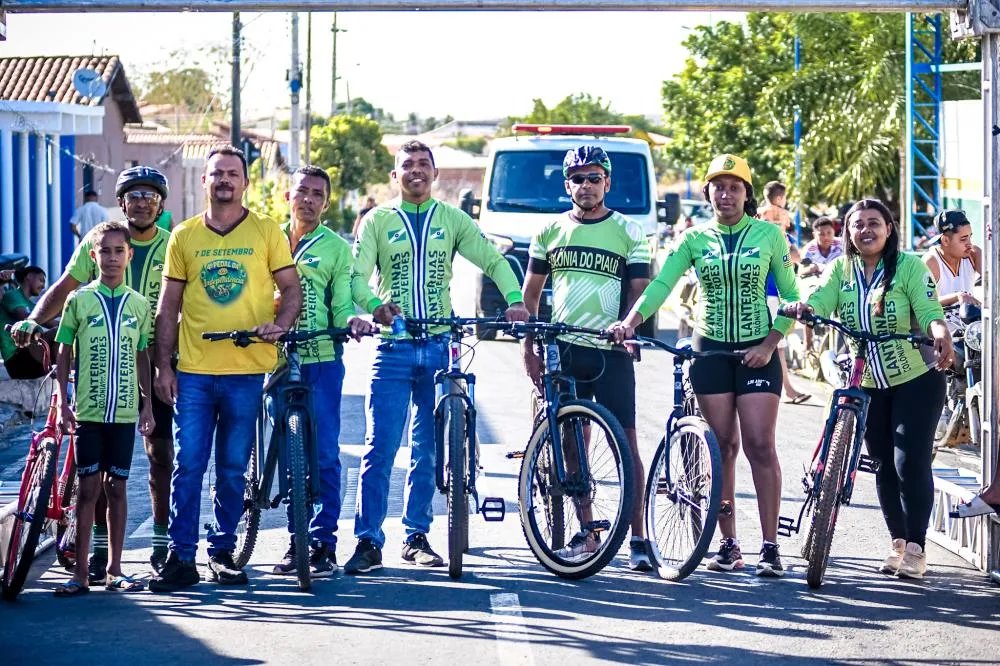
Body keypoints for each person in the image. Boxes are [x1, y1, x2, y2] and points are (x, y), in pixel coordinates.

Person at [608, 154, 800, 578]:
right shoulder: (694, 240)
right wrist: (630, 321)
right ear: (707, 192)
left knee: (760, 445)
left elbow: (790, 298)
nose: (726, 194)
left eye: (735, 187)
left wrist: (770, 345)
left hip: (757, 349)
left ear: (748, 194)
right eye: (718, 186)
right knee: (721, 449)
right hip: (709, 347)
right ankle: (728, 545)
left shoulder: (770, 235)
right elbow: (661, 285)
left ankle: (770, 546)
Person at [345, 140, 529, 574]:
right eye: (406, 165)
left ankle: (416, 536)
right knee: (380, 448)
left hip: (440, 347)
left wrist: (516, 299)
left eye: (423, 164)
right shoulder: (378, 220)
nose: (415, 171)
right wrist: (374, 305)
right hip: (393, 348)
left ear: (435, 173)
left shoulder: (452, 219)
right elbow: (357, 278)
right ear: (395, 175)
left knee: (428, 450)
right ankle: (368, 541)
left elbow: (493, 259)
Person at [149, 145, 302, 592]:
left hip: (246, 371)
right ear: (204, 181)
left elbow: (292, 289)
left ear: (245, 182)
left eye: (233, 174)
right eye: (217, 174)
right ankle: (181, 559)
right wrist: (163, 366)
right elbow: (168, 306)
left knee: (233, 468)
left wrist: (281, 323)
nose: (224, 181)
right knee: (189, 465)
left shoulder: (267, 231)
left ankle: (222, 552)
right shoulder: (183, 236)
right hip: (194, 371)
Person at [12, 166, 176, 578]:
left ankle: (160, 539)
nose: (142, 203)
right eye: (134, 196)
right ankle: (99, 548)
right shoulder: (101, 239)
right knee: (98, 468)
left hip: (154, 360)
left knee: (160, 454)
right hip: (100, 363)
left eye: (150, 197)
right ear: (121, 203)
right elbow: (66, 286)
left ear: (161, 204)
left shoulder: (175, 245)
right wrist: (33, 319)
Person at [783, 199, 953, 579]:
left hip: (916, 378)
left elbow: (928, 313)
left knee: (908, 462)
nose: (866, 231)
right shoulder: (841, 269)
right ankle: (897, 542)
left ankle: (916, 547)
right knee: (882, 466)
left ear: (889, 229)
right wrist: (806, 309)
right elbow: (821, 299)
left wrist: (940, 334)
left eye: (874, 223)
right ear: (848, 232)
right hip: (868, 383)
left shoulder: (908, 266)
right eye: (857, 225)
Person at [521, 145, 652, 571]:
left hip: (610, 348)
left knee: (626, 443)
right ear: (567, 185)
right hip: (565, 347)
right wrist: (529, 346)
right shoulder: (549, 232)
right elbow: (533, 293)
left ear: (607, 183)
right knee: (573, 445)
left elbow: (639, 290)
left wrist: (630, 330)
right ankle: (588, 530)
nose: (587, 185)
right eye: (578, 178)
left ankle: (639, 538)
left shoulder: (629, 232)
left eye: (595, 178)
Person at [270, 166, 375, 578]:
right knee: (286, 454)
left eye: (317, 194)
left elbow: (343, 301)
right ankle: (296, 540)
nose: (308, 199)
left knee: (326, 454)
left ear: (326, 203)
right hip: (273, 361)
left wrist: (349, 321)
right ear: (287, 196)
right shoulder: (268, 237)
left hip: (322, 360)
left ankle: (323, 543)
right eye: (302, 192)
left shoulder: (335, 248)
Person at [51, 221, 155, 596]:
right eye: (104, 251)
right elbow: (64, 352)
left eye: (118, 251)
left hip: (125, 413)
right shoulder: (78, 301)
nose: (111, 258)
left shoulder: (139, 305)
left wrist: (146, 405)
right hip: (89, 414)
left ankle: (114, 569)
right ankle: (80, 573)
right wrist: (63, 399)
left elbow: (143, 354)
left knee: (118, 488)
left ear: (129, 255)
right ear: (92, 257)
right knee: (88, 487)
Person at [757, 181, 809, 404]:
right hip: (770, 290)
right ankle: (787, 388)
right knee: (776, 342)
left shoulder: (758, 221)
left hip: (772, 289)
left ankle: (786, 388)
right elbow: (792, 254)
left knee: (776, 343)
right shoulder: (778, 229)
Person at [799, 216, 845, 358]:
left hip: (838, 283)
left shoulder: (842, 245)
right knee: (808, 301)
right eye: (821, 234)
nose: (826, 237)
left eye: (829, 233)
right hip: (816, 283)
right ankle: (808, 343)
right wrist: (813, 268)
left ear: (834, 232)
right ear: (814, 235)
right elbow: (801, 271)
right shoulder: (809, 249)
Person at [922, 209, 981, 314]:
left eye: (970, 237)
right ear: (945, 240)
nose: (969, 244)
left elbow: (994, 280)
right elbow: (924, 302)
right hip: (939, 326)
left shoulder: (973, 254)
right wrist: (958, 296)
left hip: (971, 327)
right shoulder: (931, 262)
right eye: (963, 239)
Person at [0, 266, 55, 379]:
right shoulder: (12, 295)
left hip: (31, 355)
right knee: (58, 333)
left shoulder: (31, 305)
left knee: (68, 331)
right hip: (17, 359)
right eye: (41, 280)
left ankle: (71, 381)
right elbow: (25, 319)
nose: (43, 286)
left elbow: (51, 322)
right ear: (29, 276)